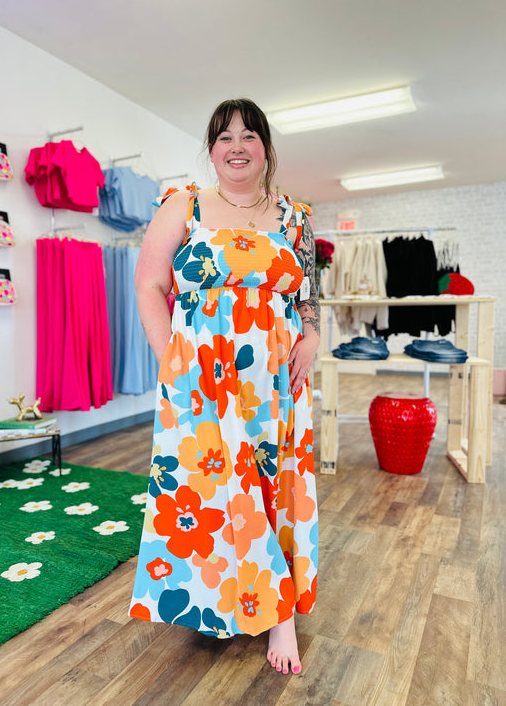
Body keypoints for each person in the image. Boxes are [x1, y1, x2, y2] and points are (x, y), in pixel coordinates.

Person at [129, 99, 319, 676]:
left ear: (266, 147)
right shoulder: (182, 204)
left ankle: (276, 609)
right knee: (212, 492)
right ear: (211, 150)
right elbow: (149, 285)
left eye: (249, 135)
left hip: (275, 377)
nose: (237, 145)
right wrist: (172, 362)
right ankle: (225, 600)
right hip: (202, 376)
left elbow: (306, 293)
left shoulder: (295, 215)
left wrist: (310, 336)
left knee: (271, 482)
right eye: (224, 136)